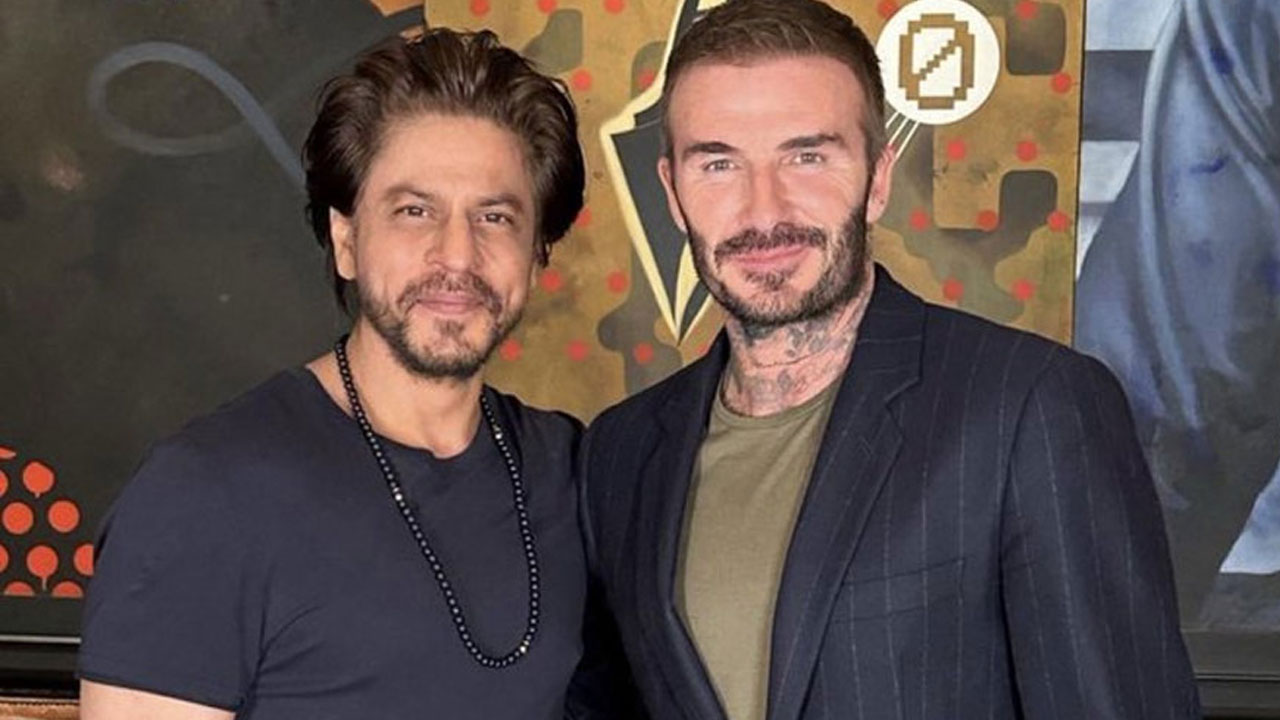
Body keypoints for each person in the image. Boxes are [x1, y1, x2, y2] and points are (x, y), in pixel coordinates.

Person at [577, 1, 1201, 718]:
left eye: (807, 156)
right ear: (672, 194)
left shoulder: (1034, 407)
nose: (763, 210)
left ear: (877, 178)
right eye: (719, 163)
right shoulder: (619, 453)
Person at [79, 28, 587, 719]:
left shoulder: (574, 474)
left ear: (537, 253)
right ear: (346, 240)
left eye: (494, 216)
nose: (457, 255)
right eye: (414, 211)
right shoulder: (205, 494)